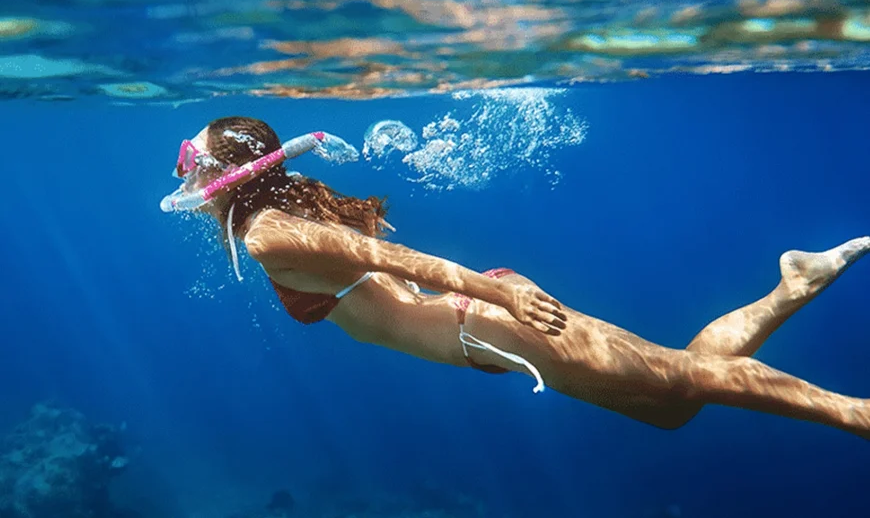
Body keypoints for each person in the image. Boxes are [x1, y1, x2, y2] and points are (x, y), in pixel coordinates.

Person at [160, 116, 870, 439]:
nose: (185, 179)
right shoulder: (290, 205)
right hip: (482, 323)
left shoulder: (266, 233)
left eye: (192, 164)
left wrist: (502, 292)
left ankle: (856, 414)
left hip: (489, 321)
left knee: (686, 381)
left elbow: (391, 261)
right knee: (672, 405)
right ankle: (792, 287)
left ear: (225, 175)